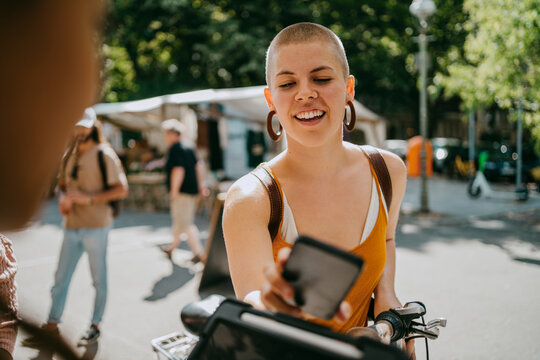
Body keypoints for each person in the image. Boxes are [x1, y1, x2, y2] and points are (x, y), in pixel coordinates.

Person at [223, 23, 415, 358]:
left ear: (349, 87)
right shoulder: (251, 199)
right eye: (287, 83)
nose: (305, 93)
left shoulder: (388, 172)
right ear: (271, 98)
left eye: (321, 78)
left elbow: (386, 238)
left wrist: (387, 300)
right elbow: (254, 302)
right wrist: (269, 307)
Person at [24, 109, 128, 347]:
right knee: (60, 278)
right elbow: (62, 185)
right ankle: (51, 324)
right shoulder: (69, 153)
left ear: (93, 126)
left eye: (83, 126)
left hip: (96, 227)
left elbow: (121, 189)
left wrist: (88, 198)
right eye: (76, 125)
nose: (79, 130)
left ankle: (95, 325)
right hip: (71, 226)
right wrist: (63, 198)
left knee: (98, 279)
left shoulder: (104, 154)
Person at [161, 119, 207, 264]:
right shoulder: (189, 146)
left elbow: (178, 170)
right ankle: (171, 247)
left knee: (185, 223)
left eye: (166, 134)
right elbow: (199, 166)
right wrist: (201, 186)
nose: (164, 137)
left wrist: (174, 191)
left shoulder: (175, 148)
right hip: (191, 190)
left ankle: (199, 253)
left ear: (173, 133)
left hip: (182, 192)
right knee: (180, 221)